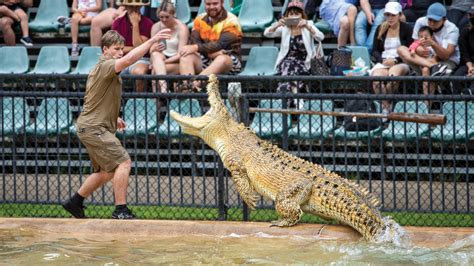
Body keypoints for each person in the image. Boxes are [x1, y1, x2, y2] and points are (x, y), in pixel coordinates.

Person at [62, 28, 171, 220]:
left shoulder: (100, 69)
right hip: (94, 128)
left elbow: (94, 98)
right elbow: (129, 60)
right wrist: (152, 39)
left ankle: (75, 201)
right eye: (116, 49)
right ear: (105, 50)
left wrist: (114, 117)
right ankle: (120, 209)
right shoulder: (106, 65)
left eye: (121, 48)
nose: (120, 52)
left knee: (106, 171)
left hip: (93, 125)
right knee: (123, 162)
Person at [264, 0, 324, 108]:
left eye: (297, 14)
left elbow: (320, 37)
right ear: (287, 16)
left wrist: (308, 27)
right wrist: (277, 24)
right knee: (289, 64)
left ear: (302, 15)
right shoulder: (285, 28)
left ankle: (284, 101)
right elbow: (267, 33)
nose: (294, 16)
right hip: (287, 61)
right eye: (291, 14)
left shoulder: (308, 24)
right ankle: (297, 99)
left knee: (291, 69)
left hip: (304, 62)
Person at [397, 3, 460, 97]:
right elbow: (415, 43)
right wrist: (418, 49)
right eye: (430, 19)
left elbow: (446, 55)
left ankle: (427, 107)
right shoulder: (421, 22)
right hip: (425, 59)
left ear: (444, 18)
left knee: (426, 70)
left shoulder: (452, 29)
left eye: (436, 20)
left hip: (447, 61)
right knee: (401, 49)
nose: (432, 23)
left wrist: (433, 44)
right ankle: (434, 67)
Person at [178, 0, 243, 91]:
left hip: (229, 62)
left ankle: (192, 86)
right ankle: (188, 89)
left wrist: (197, 47)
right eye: (208, 4)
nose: (211, 7)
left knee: (222, 59)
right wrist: (209, 54)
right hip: (206, 57)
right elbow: (194, 41)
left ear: (222, 3)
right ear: (205, 4)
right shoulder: (199, 19)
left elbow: (220, 44)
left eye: (215, 3)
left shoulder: (232, 21)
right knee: (186, 56)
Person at [370, 1, 412, 115]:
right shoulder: (380, 28)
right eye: (387, 15)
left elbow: (410, 49)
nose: (390, 18)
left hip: (400, 61)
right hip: (383, 62)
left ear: (399, 15)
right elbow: (374, 50)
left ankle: (387, 106)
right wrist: (382, 60)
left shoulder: (407, 28)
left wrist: (395, 60)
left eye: (393, 15)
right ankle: (386, 107)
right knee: (376, 81)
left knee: (392, 79)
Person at [112, 0, 154, 92]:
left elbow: (139, 48)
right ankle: (118, 102)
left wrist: (135, 25)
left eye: (137, 6)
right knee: (110, 72)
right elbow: (114, 48)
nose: (134, 9)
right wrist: (134, 49)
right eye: (131, 6)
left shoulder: (148, 23)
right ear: (125, 7)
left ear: (140, 7)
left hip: (141, 59)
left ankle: (139, 101)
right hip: (121, 58)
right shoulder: (117, 23)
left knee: (139, 73)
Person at [149, 0, 189, 92]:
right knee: (155, 55)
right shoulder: (156, 27)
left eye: (167, 17)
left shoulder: (182, 28)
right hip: (161, 58)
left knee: (155, 71)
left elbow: (180, 54)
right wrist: (154, 49)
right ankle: (163, 91)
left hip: (176, 61)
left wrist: (161, 63)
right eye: (161, 17)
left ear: (173, 14)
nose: (164, 20)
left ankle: (160, 96)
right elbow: (152, 50)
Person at [452, 8, 474, 94]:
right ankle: (456, 100)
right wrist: (470, 67)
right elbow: (464, 53)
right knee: (456, 77)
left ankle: (469, 94)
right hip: (468, 63)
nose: (472, 17)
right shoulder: (465, 31)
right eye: (470, 15)